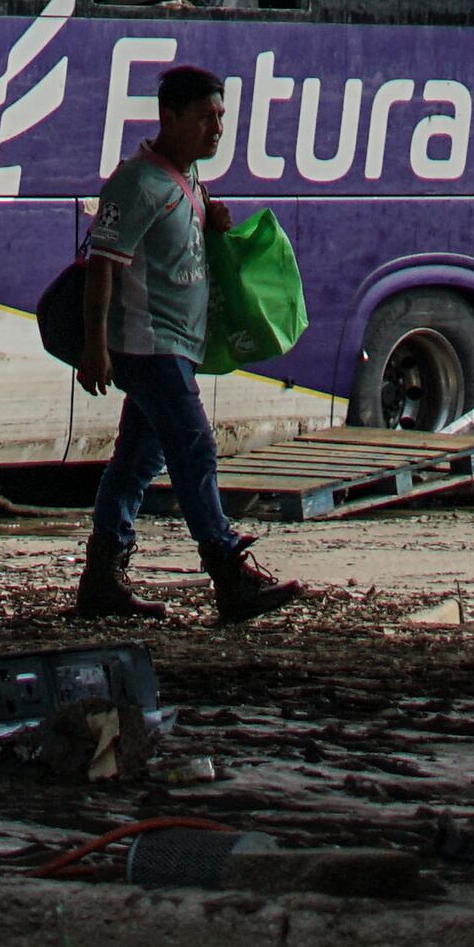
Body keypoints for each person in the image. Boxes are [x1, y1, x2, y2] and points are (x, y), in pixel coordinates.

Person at [73, 63, 303, 625]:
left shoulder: (188, 182)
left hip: (177, 346)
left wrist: (212, 221)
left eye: (221, 117)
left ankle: (102, 579)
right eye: (204, 117)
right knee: (195, 448)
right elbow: (102, 266)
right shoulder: (136, 182)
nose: (216, 129)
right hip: (149, 347)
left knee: (135, 461)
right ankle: (228, 573)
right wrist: (95, 345)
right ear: (169, 117)